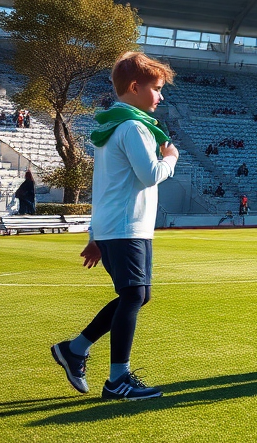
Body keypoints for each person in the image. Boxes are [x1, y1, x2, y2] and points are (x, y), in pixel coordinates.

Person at [50, 51, 178, 401]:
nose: (161, 96)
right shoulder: (134, 127)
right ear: (135, 87)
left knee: (137, 295)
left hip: (116, 227)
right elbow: (150, 174)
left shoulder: (112, 126)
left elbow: (104, 186)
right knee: (135, 295)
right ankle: (117, 379)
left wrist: (96, 235)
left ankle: (75, 350)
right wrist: (170, 159)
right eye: (156, 88)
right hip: (126, 228)